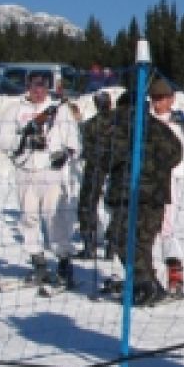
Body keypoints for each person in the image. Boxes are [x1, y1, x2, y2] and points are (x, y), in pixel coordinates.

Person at [101, 88, 183, 305]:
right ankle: (148, 286)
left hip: (130, 194)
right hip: (154, 196)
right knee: (141, 244)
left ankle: (145, 284)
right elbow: (176, 154)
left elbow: (106, 157)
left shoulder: (121, 129)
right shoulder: (160, 128)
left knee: (121, 238)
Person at [0, 74, 79, 287]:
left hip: (50, 171)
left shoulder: (60, 110)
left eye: (43, 87)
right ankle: (38, 262)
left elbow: (74, 140)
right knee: (28, 217)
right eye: (34, 87)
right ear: (28, 87)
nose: (38, 91)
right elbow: (3, 140)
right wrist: (24, 140)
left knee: (55, 217)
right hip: (25, 170)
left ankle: (64, 260)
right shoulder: (15, 109)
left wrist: (66, 153)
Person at [147, 77, 184, 296]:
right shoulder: (146, 119)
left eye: (162, 98)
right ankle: (144, 274)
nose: (157, 102)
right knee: (146, 225)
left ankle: (175, 273)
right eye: (154, 98)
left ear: (171, 99)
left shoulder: (178, 121)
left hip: (171, 177)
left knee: (166, 226)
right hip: (148, 177)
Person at [75, 91, 114, 259]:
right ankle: (112, 245)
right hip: (116, 167)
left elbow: (85, 148)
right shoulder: (121, 123)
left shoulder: (91, 125)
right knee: (116, 206)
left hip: (95, 167)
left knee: (87, 204)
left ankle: (89, 244)